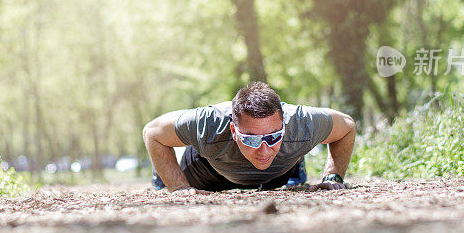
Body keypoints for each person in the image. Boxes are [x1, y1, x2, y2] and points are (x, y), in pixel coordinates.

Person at [142, 81, 356, 194]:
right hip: (209, 169)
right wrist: (179, 188)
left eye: (273, 137)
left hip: (276, 173)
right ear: (235, 131)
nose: (263, 150)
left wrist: (332, 177)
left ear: (284, 125)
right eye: (251, 139)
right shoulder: (208, 124)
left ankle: (295, 164)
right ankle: (162, 176)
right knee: (165, 185)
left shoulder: (301, 123)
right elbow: (153, 133)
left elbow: (347, 126)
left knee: (286, 156)